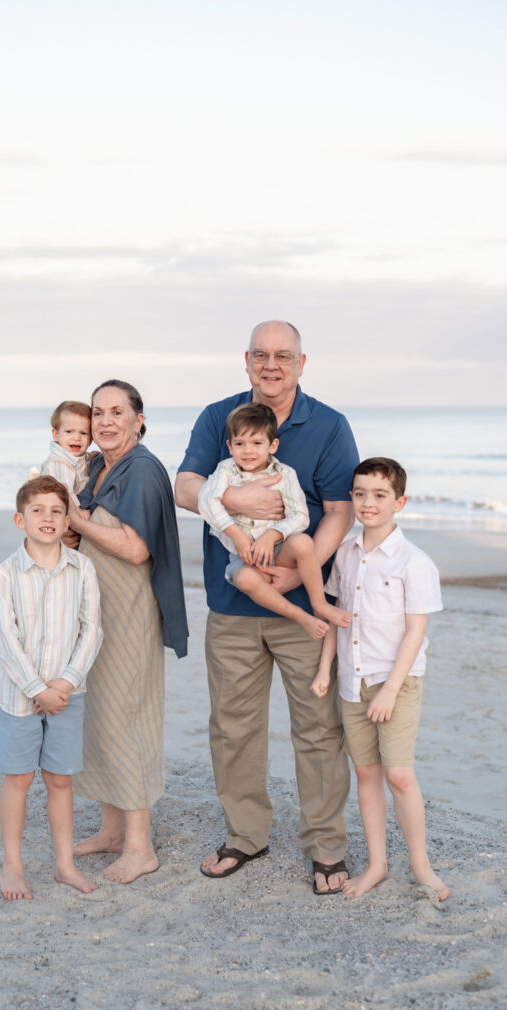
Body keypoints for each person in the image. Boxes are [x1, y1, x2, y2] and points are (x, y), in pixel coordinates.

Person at [175, 320, 358, 892]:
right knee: (232, 728)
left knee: (319, 731)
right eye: (261, 355)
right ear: (246, 361)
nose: (271, 364)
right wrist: (229, 496)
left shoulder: (328, 424)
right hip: (231, 604)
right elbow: (185, 487)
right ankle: (245, 836)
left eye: (284, 355)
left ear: (302, 363)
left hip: (303, 603)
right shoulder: (218, 417)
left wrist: (287, 577)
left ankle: (326, 847)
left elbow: (339, 509)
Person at [67, 380, 189, 884]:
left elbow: (136, 549)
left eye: (118, 411)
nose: (106, 421)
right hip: (97, 612)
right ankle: (112, 831)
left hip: (131, 611)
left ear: (139, 419)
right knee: (99, 718)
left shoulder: (143, 470)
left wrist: (78, 519)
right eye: (98, 412)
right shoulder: (98, 465)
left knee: (128, 718)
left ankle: (140, 848)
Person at [311, 457, 450, 901]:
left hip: (396, 683)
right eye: (360, 494)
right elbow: (336, 617)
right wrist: (323, 668)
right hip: (352, 680)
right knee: (366, 772)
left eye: (379, 495)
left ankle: (422, 867)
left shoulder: (414, 561)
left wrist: (389, 690)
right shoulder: (346, 554)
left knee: (400, 775)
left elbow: (416, 632)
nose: (368, 503)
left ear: (400, 502)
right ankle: (377, 864)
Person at [0, 476, 103, 900]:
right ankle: (13, 867)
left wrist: (67, 682)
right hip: (20, 695)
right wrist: (37, 688)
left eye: (57, 510)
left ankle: (64, 865)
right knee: (18, 779)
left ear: (67, 519)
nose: (48, 518)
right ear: (21, 519)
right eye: (38, 510)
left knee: (59, 780)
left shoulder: (82, 568)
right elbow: (5, 638)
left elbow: (91, 630)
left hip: (68, 694)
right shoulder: (6, 573)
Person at [198, 401, 351, 639]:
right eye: (240, 444)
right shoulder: (225, 471)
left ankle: (319, 604)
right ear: (229, 446)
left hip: (280, 551)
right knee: (246, 580)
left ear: (273, 445)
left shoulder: (285, 474)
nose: (248, 451)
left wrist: (273, 535)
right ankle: (301, 616)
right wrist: (236, 535)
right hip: (244, 556)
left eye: (257, 443)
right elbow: (206, 501)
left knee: (303, 543)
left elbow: (300, 515)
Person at [39, 401, 92, 506]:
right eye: (69, 431)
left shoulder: (76, 458)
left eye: (83, 433)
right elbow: (67, 494)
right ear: (56, 434)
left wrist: (90, 458)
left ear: (91, 440)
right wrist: (78, 511)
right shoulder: (59, 463)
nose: (77, 438)